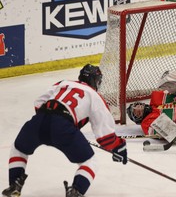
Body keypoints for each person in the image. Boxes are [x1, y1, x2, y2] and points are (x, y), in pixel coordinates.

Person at [2, 64, 128, 197]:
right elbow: (105, 138)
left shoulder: (63, 83)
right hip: (63, 128)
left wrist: (50, 122)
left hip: (39, 121)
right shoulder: (94, 95)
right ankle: (76, 191)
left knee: (19, 149)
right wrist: (119, 146)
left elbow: (39, 102)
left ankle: (14, 185)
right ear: (96, 81)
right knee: (90, 162)